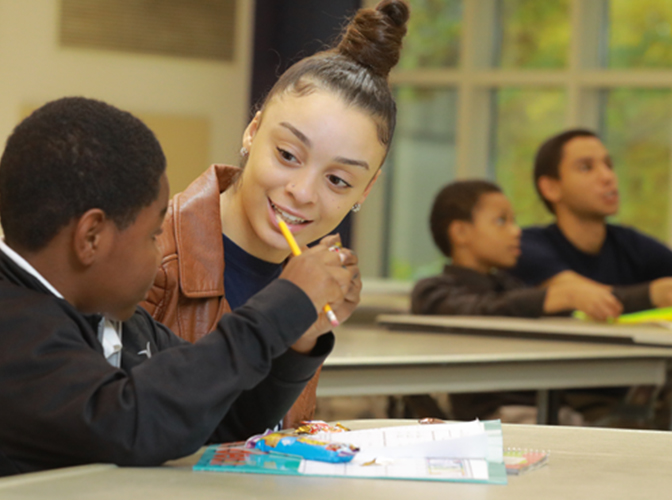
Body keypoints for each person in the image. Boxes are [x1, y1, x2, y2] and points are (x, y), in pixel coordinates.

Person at [0, 97, 353, 489]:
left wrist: (300, 334)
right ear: (91, 238)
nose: (160, 247)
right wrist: (286, 300)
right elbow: (132, 424)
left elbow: (223, 416)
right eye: (153, 233)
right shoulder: (1, 329)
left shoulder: (110, 320)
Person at [140, 0, 410, 427]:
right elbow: (136, 427)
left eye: (338, 180)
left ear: (367, 188)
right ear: (253, 130)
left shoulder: (313, 284)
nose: (301, 192)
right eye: (287, 154)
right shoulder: (146, 257)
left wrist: (304, 333)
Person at [412, 180, 625, 320]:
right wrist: (563, 295)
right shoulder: (431, 292)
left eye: (515, 221)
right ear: (460, 232)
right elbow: (484, 309)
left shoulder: (509, 284)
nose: (516, 231)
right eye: (501, 221)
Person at [511, 129, 672, 314]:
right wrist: (653, 294)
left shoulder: (633, 245)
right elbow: (583, 296)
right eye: (586, 167)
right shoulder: (524, 246)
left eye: (609, 165)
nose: (607, 177)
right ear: (550, 188)